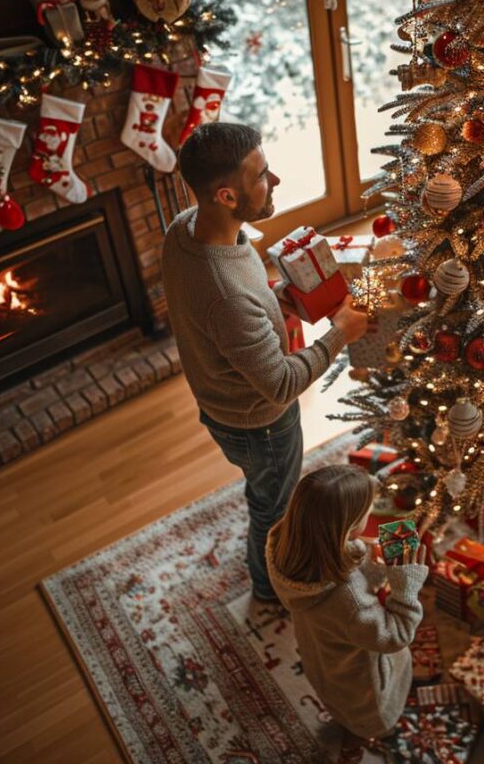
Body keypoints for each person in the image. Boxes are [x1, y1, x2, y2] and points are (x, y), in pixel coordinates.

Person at [163, 122, 368, 602]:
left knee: (264, 495)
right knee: (272, 510)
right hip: (262, 425)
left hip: (223, 403)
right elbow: (279, 385)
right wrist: (342, 332)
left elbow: (227, 319)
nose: (274, 181)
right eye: (262, 175)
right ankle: (269, 589)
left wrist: (279, 300)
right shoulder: (226, 296)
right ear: (227, 196)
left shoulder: (186, 229)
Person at [267, 465, 428, 764]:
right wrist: (405, 587)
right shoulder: (349, 600)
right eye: (367, 512)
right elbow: (395, 636)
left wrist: (365, 555)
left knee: (337, 697)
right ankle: (358, 735)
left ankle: (349, 725)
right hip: (361, 681)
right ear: (349, 526)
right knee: (365, 717)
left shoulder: (285, 544)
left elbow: (342, 558)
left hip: (320, 654)